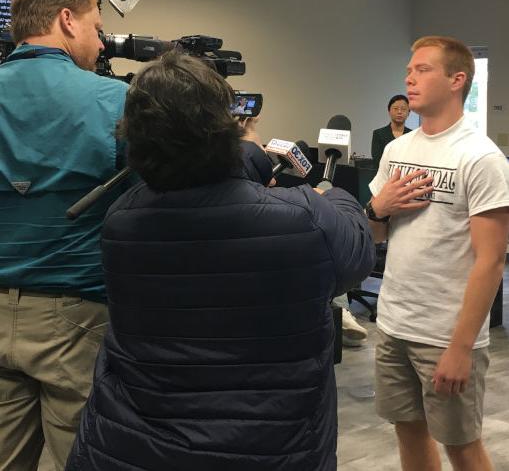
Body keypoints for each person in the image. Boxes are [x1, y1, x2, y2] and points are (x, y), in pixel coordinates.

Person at [65, 51, 375, 471]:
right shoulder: (303, 216)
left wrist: (249, 156)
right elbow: (357, 251)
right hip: (270, 447)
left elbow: (198, 179)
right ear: (223, 129)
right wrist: (330, 195)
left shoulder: (122, 220)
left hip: (136, 445)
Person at [0, 0, 127, 470]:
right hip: (73, 315)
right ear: (66, 20)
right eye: (97, 29)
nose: (100, 44)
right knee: (75, 456)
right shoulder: (111, 100)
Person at [366, 36, 509, 471]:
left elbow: (491, 261)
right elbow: (374, 234)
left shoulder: (480, 157)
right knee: (408, 432)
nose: (409, 78)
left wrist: (461, 347)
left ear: (457, 80)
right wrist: (377, 208)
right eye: (409, 69)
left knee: (462, 446)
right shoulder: (397, 150)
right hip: (394, 324)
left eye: (423, 69)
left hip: (445, 335)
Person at [371, 94, 411, 170]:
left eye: (403, 109)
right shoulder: (378, 134)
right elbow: (378, 161)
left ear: (409, 113)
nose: (399, 112)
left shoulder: (412, 135)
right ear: (389, 111)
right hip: (385, 178)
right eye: (395, 108)